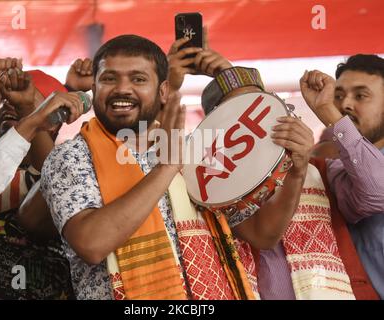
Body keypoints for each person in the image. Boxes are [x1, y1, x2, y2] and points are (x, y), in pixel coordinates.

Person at [41, 34, 313, 300]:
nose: (122, 89)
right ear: (95, 88)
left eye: (138, 79)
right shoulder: (71, 156)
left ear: (162, 91)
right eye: (109, 79)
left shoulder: (198, 150)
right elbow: (91, 243)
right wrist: (167, 167)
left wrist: (297, 172)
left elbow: (261, 234)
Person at [179, 36, 378, 299]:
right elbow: (263, 236)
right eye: (239, 118)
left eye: (260, 110)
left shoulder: (320, 169)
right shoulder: (210, 186)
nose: (253, 125)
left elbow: (378, 191)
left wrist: (328, 111)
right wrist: (295, 173)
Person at [0, 70, 84, 299]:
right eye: (7, 100)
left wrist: (33, 114)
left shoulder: (74, 166)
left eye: (25, 102)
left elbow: (51, 180)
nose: (10, 107)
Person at [300, 54, 384, 299]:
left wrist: (329, 112)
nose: (345, 104)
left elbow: (377, 188)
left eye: (361, 95)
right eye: (338, 96)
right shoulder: (336, 170)